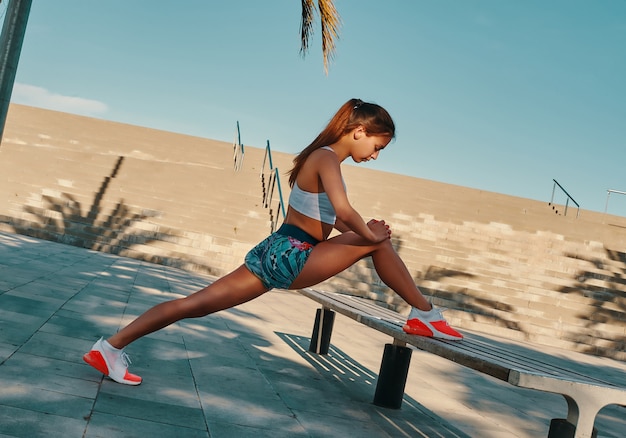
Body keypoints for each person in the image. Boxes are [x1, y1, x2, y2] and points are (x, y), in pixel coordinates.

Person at [83, 98, 463, 386]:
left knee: (194, 304)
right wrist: (368, 234)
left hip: (276, 249)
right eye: (377, 146)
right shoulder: (327, 157)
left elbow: (337, 216)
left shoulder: (320, 157)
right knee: (377, 243)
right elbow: (345, 211)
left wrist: (365, 231)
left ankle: (110, 348)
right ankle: (424, 314)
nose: (376, 155)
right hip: (295, 255)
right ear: (359, 131)